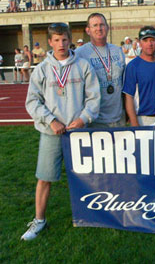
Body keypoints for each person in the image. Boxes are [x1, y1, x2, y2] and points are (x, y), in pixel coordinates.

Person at [22, 22, 100, 241]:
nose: (61, 44)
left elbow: (94, 98)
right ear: (50, 42)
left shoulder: (83, 65)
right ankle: (39, 220)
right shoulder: (42, 69)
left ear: (70, 39)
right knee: (44, 177)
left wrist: (83, 118)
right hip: (52, 132)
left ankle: (96, 216)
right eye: (56, 40)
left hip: (79, 132)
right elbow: (32, 102)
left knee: (89, 177)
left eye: (64, 39)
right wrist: (51, 121)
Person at [76, 13, 126, 128]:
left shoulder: (117, 51)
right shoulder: (80, 54)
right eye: (95, 25)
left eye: (102, 25)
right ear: (88, 30)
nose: (99, 28)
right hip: (94, 120)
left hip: (118, 118)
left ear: (107, 28)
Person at [123, 26, 155, 126]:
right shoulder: (133, 66)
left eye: (152, 40)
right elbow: (129, 98)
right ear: (139, 43)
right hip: (143, 119)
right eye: (145, 40)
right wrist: (135, 124)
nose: (149, 44)